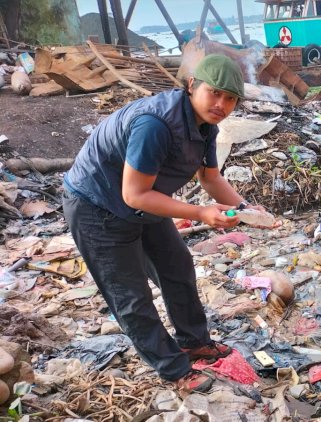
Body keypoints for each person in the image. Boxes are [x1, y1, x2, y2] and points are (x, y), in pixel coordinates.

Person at [62, 54, 257, 393]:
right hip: (97, 204)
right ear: (193, 85)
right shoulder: (155, 123)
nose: (221, 104)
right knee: (131, 295)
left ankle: (194, 341)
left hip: (145, 199)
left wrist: (245, 207)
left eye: (230, 98)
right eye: (215, 93)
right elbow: (134, 195)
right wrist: (200, 213)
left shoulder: (205, 125)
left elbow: (210, 178)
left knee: (177, 266)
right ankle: (174, 370)